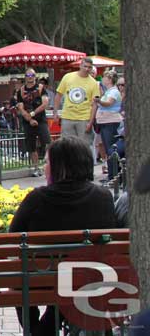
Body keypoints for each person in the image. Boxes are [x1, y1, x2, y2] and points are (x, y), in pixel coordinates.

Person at [9, 137, 119, 335]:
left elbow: (13, 238)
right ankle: (51, 320)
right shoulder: (103, 197)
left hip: (42, 281)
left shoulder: (36, 199)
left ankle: (37, 329)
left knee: (22, 281)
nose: (44, 167)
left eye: (48, 161)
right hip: (91, 278)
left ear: (62, 166)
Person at [53, 56, 99, 154]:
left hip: (83, 118)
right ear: (80, 65)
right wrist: (55, 112)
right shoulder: (68, 77)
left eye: (89, 67)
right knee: (67, 145)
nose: (86, 69)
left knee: (84, 146)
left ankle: (83, 166)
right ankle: (69, 167)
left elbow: (95, 104)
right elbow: (58, 95)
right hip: (67, 117)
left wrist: (91, 122)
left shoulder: (93, 83)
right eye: (85, 66)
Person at [13, 68, 50, 177]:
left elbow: (45, 104)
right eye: (28, 75)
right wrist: (29, 119)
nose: (30, 77)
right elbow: (20, 107)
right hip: (27, 121)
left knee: (47, 142)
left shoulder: (40, 88)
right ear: (25, 76)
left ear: (35, 76)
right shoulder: (20, 90)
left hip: (40, 119)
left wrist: (33, 114)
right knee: (31, 146)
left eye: (32, 75)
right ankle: (36, 167)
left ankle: (49, 164)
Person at [93, 69, 123, 180]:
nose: (103, 80)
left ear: (110, 79)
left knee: (111, 149)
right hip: (105, 122)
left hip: (111, 122)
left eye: (105, 77)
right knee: (107, 149)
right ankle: (112, 174)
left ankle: (114, 175)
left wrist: (99, 101)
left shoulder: (114, 92)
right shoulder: (108, 91)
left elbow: (109, 103)